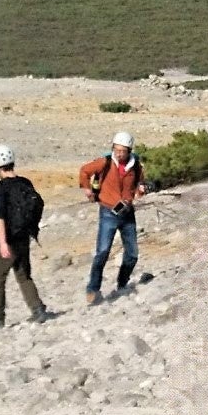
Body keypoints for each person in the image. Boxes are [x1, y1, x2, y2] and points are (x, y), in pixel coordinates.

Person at [0, 143, 50, 326]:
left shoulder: (1, 187)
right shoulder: (25, 183)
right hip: (24, 237)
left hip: (9, 238)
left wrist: (3, 243)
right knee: (24, 275)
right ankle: (38, 309)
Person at [77, 128, 144, 302]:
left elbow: (139, 182)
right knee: (102, 251)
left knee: (132, 253)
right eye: (116, 149)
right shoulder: (104, 162)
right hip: (108, 212)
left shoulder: (135, 165)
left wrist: (139, 190)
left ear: (129, 151)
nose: (119, 154)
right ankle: (93, 289)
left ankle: (122, 283)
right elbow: (84, 171)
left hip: (127, 212)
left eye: (123, 151)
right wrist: (87, 189)